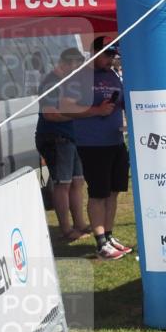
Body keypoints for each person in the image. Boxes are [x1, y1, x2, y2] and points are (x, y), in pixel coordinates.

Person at [35, 48, 114, 242]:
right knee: (63, 184)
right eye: (75, 67)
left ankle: (79, 224)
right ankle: (66, 229)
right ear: (65, 64)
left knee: (77, 182)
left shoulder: (69, 82)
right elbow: (50, 114)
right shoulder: (51, 82)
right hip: (55, 137)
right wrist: (87, 113)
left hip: (72, 137)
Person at [74, 37, 133, 259]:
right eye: (107, 54)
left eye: (113, 55)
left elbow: (124, 101)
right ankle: (100, 242)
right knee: (98, 193)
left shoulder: (113, 75)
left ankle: (108, 235)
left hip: (116, 141)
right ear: (94, 52)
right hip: (92, 143)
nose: (111, 59)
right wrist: (95, 111)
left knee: (113, 191)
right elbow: (67, 109)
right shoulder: (80, 76)